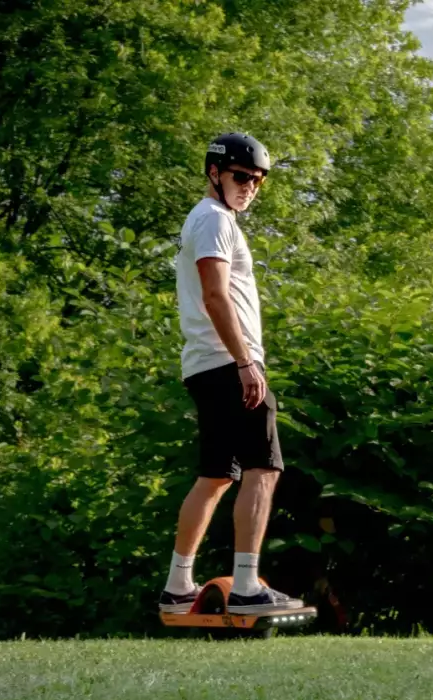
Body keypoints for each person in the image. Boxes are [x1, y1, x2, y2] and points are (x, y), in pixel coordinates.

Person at [157, 132, 302, 615]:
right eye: (242, 177)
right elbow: (216, 295)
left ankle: (179, 586)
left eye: (258, 181)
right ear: (214, 173)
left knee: (217, 475)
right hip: (227, 363)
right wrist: (245, 363)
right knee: (263, 468)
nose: (250, 187)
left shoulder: (206, 220)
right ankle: (245, 586)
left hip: (205, 364)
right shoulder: (215, 221)